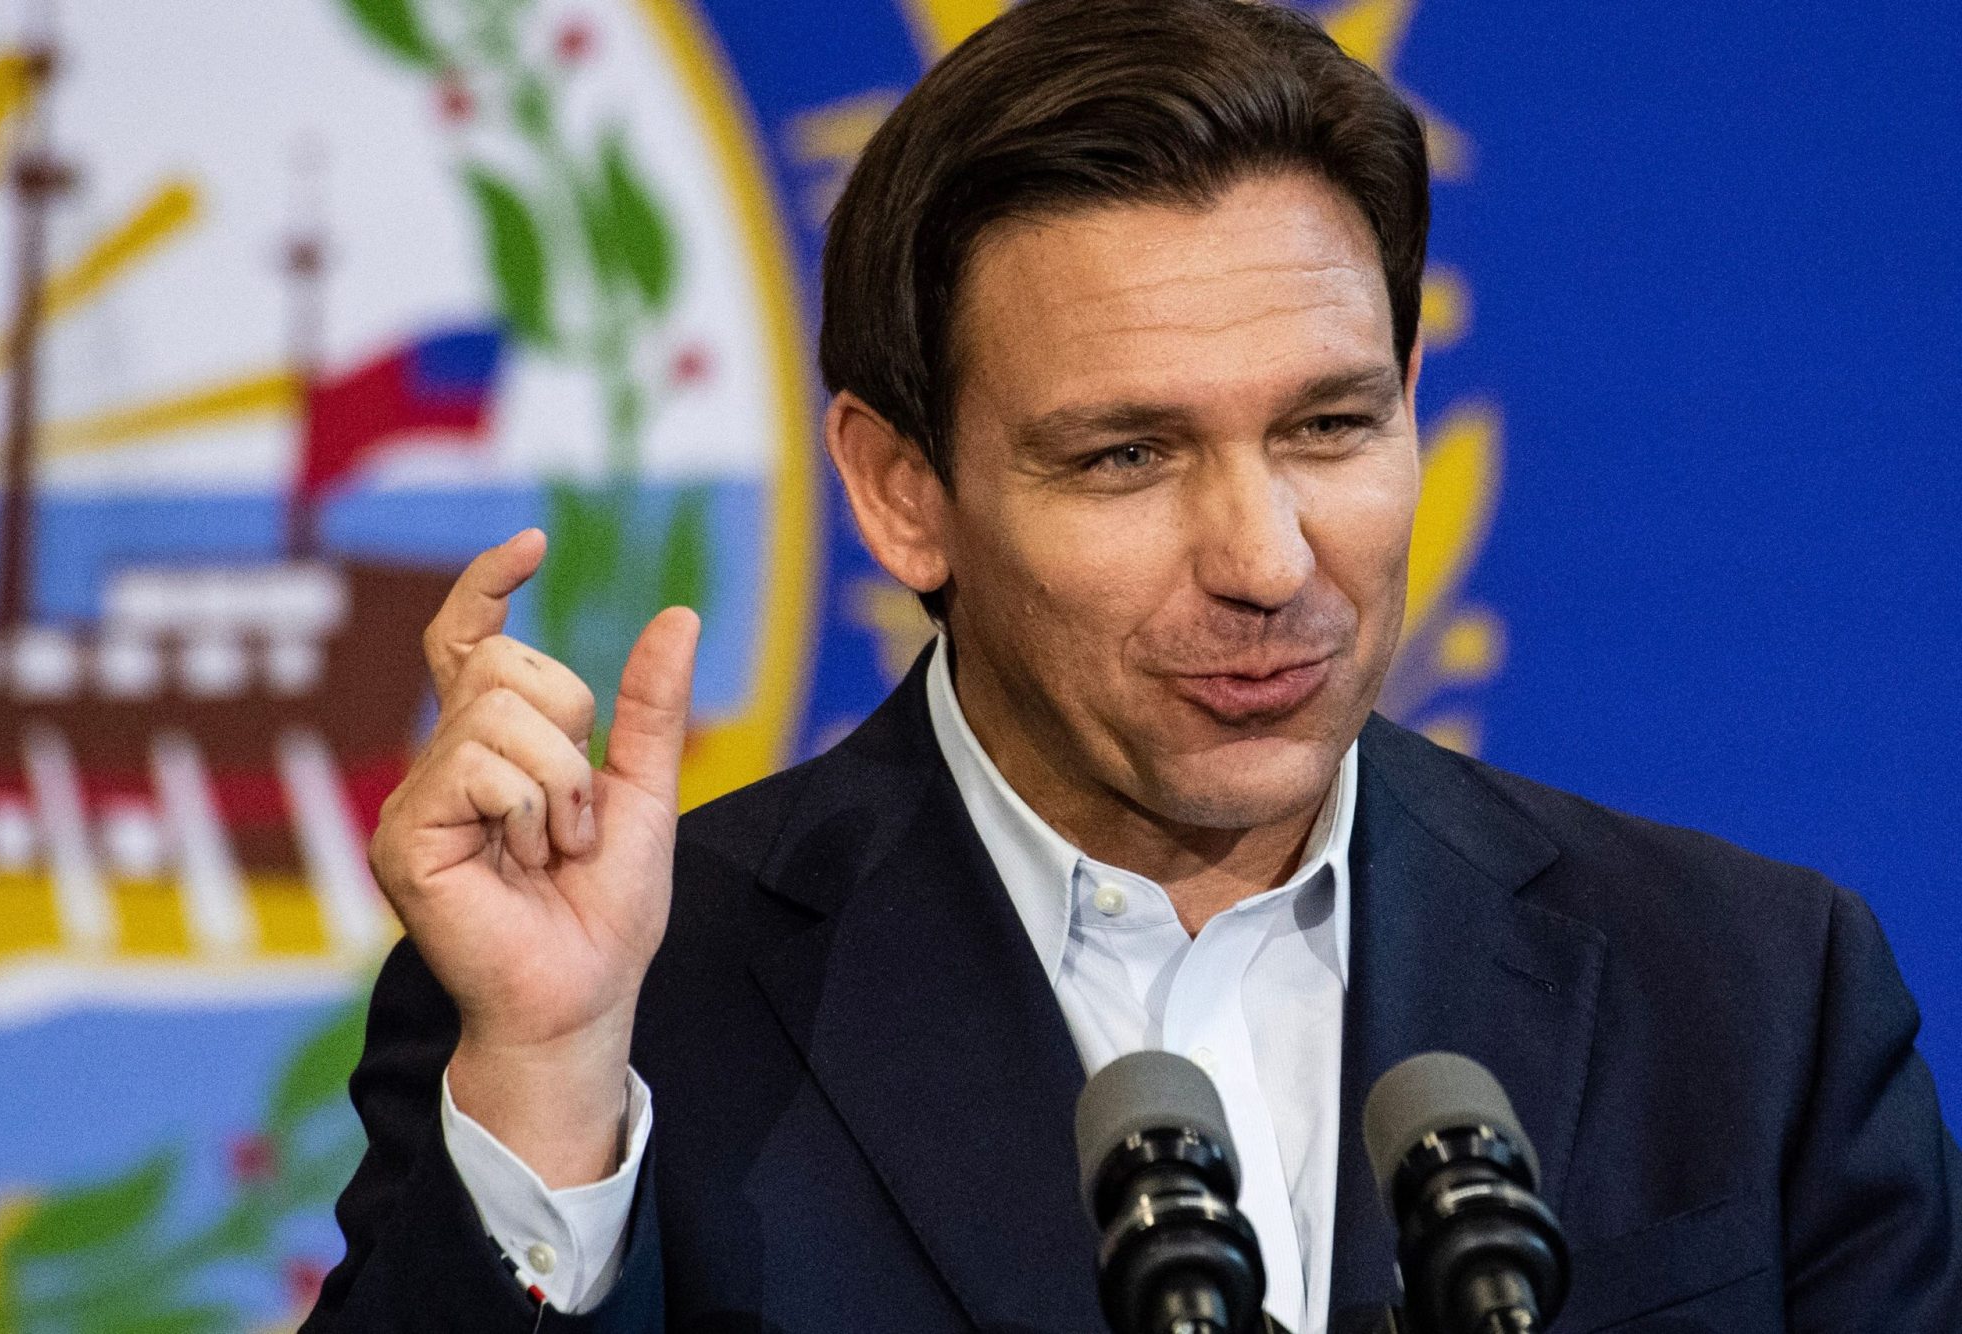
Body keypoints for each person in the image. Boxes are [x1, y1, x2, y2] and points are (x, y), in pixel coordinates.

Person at [303, 1, 1962, 1330]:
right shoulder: (623, 1006)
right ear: (902, 491)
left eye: (1331, 424)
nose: (1265, 559)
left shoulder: (1751, 995)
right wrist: (547, 1083)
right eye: (1124, 458)